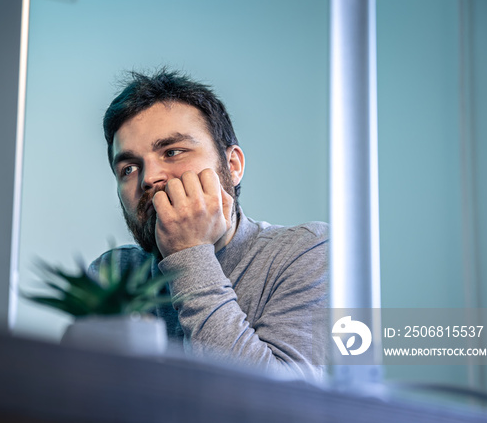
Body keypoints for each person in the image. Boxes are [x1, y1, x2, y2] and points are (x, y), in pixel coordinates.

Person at [90, 68, 328, 380]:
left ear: (233, 165)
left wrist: (189, 253)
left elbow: (284, 407)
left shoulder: (306, 251)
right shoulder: (115, 272)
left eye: (172, 152)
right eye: (129, 168)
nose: (149, 178)